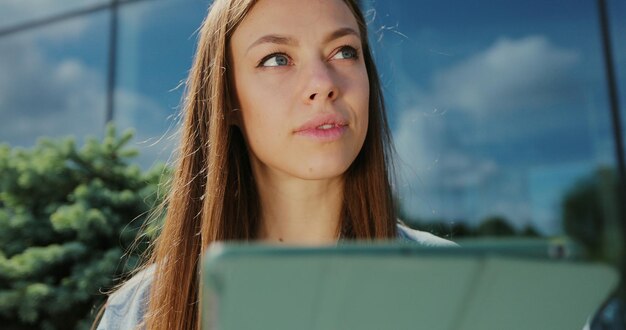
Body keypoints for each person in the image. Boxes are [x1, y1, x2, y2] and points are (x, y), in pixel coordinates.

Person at [95, 0, 455, 329]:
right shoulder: (137, 312)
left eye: (344, 52)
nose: (323, 84)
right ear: (228, 99)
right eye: (277, 59)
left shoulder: (451, 281)